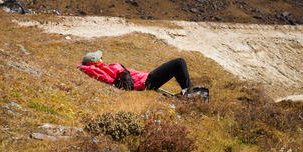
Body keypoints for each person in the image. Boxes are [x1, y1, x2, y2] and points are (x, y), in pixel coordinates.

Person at [77, 50, 208, 99]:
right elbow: (106, 77)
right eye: (100, 58)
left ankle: (190, 93)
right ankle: (191, 95)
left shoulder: (102, 68)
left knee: (178, 66)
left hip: (145, 80)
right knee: (179, 62)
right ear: (95, 62)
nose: (102, 58)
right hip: (145, 82)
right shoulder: (102, 69)